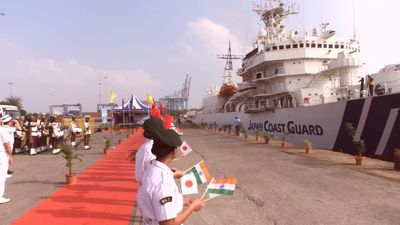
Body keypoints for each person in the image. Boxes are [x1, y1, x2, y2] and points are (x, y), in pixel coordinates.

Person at [137, 128, 204, 225]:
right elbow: (168, 223)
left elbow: (157, 203)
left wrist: (182, 202)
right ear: (174, 151)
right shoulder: (163, 183)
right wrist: (192, 207)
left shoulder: (151, 168)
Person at [0, 114, 13, 204]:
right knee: (1, 176)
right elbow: (7, 144)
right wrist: (11, 156)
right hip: (2, 154)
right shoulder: (2, 130)